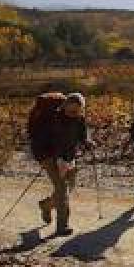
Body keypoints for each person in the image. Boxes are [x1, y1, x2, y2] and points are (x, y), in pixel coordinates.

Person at [33, 92, 91, 237]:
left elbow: (82, 136)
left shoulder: (79, 119)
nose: (74, 114)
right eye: (72, 111)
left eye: (78, 111)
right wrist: (49, 157)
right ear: (65, 106)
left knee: (69, 187)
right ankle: (62, 227)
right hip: (49, 157)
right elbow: (41, 141)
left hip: (68, 157)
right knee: (62, 188)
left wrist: (87, 142)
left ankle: (46, 205)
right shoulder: (53, 119)